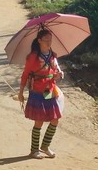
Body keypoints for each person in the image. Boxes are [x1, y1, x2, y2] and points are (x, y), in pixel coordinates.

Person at [17, 29, 65, 159]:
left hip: (50, 90)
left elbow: (54, 71)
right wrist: (20, 92)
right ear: (39, 41)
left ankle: (45, 146)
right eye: (46, 40)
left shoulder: (52, 55)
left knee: (55, 119)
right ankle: (34, 150)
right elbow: (25, 75)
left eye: (50, 40)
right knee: (39, 121)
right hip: (37, 90)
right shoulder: (32, 57)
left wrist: (59, 74)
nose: (49, 42)